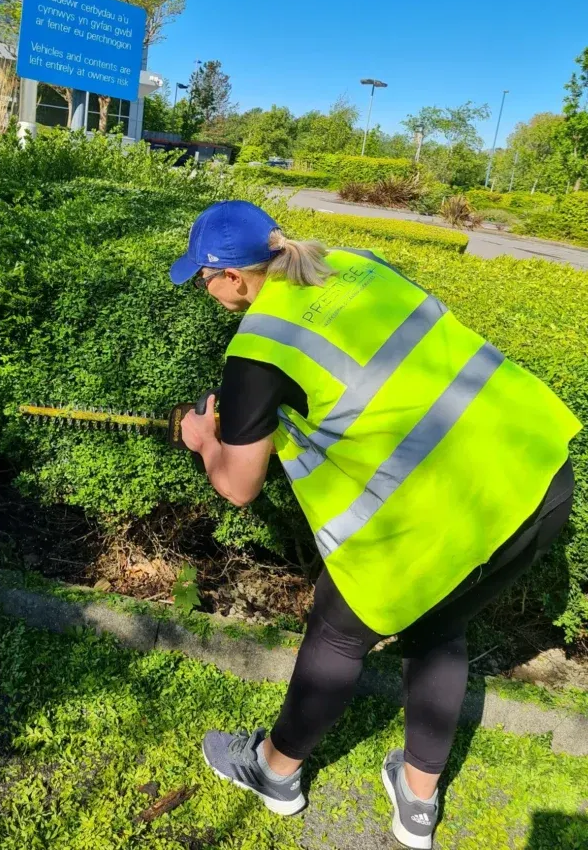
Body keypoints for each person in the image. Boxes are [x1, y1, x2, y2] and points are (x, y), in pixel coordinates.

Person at [169, 199, 580, 850]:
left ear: (232, 276)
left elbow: (238, 485)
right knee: (441, 620)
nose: (202, 287)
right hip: (537, 471)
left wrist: (200, 437)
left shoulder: (258, 348)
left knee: (338, 631)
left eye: (203, 276)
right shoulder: (353, 263)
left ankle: (275, 773)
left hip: (441, 513)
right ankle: (418, 802)